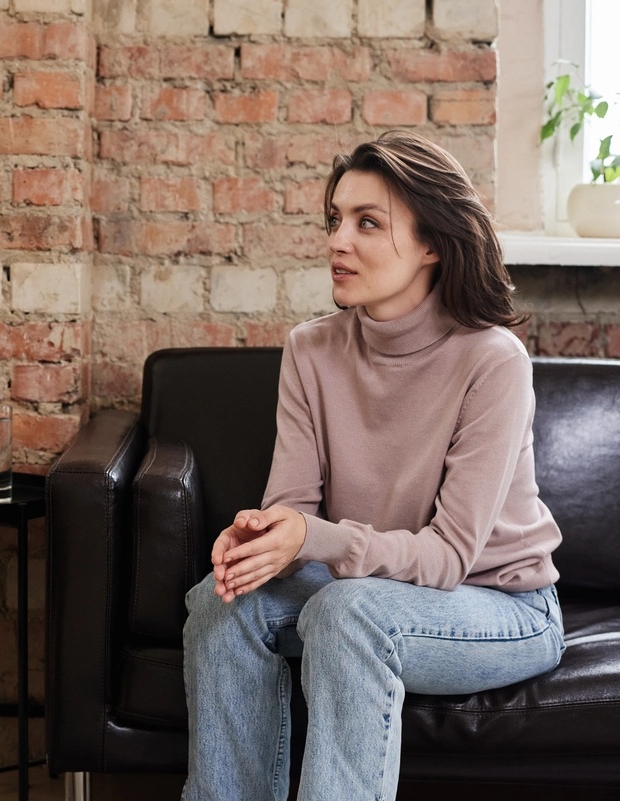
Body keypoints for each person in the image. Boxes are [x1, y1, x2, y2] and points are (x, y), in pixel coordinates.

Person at [181, 131, 565, 801]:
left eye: (367, 223)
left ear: (431, 244)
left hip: (501, 603)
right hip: (365, 589)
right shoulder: (312, 349)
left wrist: (313, 539)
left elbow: (447, 557)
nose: (338, 240)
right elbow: (294, 509)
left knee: (348, 613)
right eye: (334, 218)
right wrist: (261, 543)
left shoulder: (492, 360)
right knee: (223, 602)